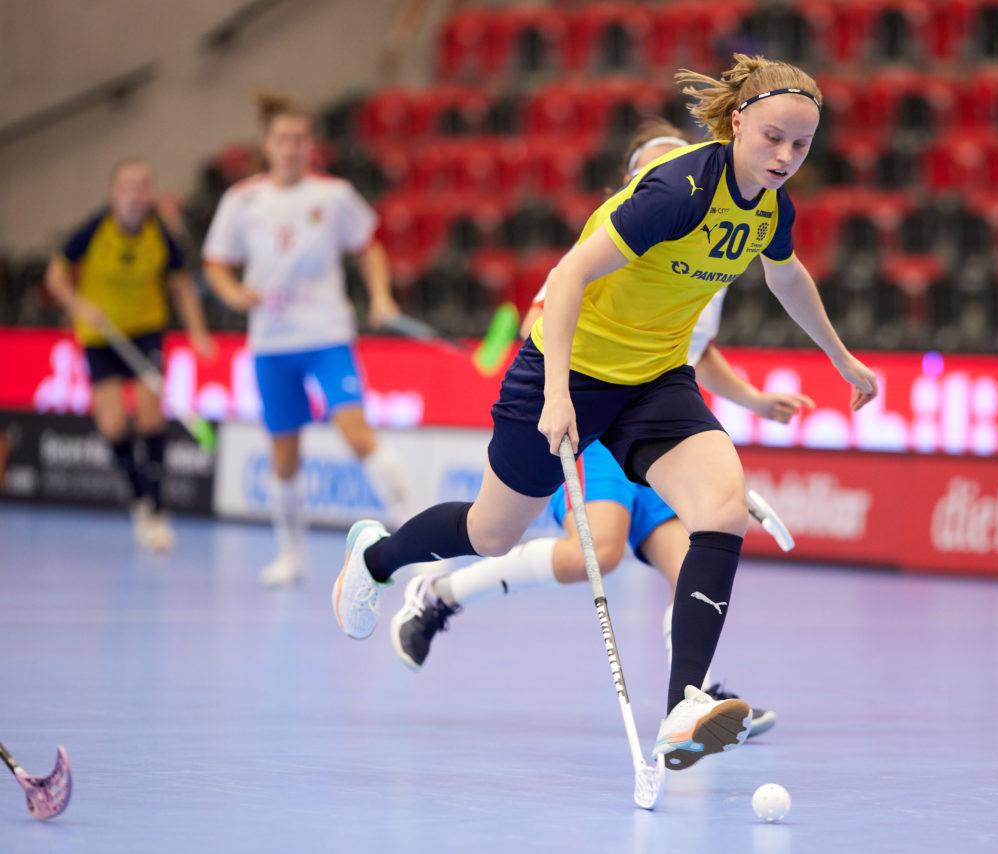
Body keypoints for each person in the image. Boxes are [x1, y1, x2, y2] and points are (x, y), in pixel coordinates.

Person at [333, 55, 878, 772]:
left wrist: (842, 360)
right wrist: (559, 393)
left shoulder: (771, 207)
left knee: (718, 507)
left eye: (801, 146)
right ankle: (375, 560)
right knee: (490, 533)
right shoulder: (678, 191)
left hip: (654, 380)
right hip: (570, 373)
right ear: (738, 121)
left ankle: (685, 705)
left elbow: (786, 272)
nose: (785, 157)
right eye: (774, 137)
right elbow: (567, 278)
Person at [388, 120, 814, 741]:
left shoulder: (714, 241)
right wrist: (559, 396)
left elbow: (698, 351)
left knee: (695, 554)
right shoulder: (614, 243)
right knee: (597, 553)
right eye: (660, 165)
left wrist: (751, 399)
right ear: (634, 181)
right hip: (594, 409)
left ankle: (691, 697)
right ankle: (441, 592)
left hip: (658, 415)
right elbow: (546, 321)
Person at [203, 92, 416, 587]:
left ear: (311, 146)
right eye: (282, 139)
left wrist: (381, 296)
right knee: (284, 454)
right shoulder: (242, 200)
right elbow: (215, 262)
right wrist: (235, 294)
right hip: (272, 344)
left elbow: (368, 247)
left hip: (326, 337)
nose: (291, 147)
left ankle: (418, 535)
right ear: (268, 145)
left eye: (300, 139)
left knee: (357, 434)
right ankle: (290, 555)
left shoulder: (335, 195)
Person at [46, 159, 215, 552]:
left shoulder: (161, 235)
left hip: (145, 334)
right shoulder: (92, 230)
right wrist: (78, 305)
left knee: (150, 415)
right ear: (114, 193)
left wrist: (198, 333)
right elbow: (55, 277)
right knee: (113, 426)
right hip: (101, 336)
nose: (135, 194)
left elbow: (182, 288)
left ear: (149, 193)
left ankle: (157, 508)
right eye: (127, 186)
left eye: (143, 186)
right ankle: (139, 498)